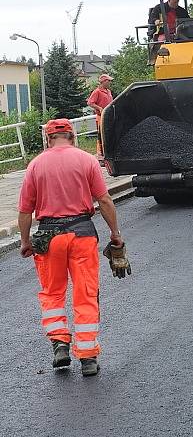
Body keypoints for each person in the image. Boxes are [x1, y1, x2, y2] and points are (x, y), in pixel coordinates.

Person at [18, 119, 130, 377]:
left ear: (48, 139)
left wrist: (26, 242)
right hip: (81, 235)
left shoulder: (35, 165)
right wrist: (115, 234)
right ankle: (88, 357)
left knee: (53, 294)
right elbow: (104, 200)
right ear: (73, 136)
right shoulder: (87, 160)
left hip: (48, 238)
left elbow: (25, 210)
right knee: (86, 293)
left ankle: (59, 344)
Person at [87, 73, 114, 165]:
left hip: (108, 116)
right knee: (101, 136)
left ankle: (108, 154)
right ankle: (100, 157)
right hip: (101, 117)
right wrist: (99, 108)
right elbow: (90, 103)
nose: (110, 82)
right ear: (103, 82)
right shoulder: (97, 92)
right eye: (108, 81)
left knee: (108, 135)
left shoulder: (108, 91)